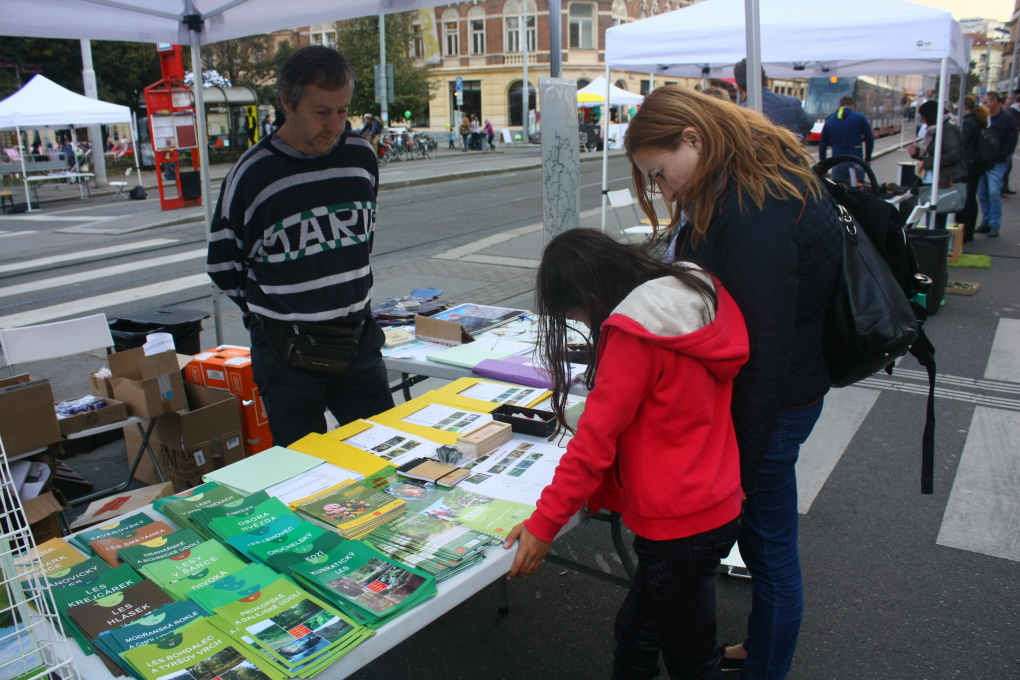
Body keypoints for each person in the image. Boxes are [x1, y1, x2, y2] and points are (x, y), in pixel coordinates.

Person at [624, 86, 842, 679]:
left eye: (661, 173)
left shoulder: (755, 206)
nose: (665, 190)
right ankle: (760, 644)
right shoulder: (747, 180)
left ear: (693, 139)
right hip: (781, 390)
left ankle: (766, 667)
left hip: (775, 400)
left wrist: (737, 464)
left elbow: (763, 349)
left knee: (769, 549)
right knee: (766, 539)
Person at [504, 228, 749, 680]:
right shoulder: (692, 291)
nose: (581, 321)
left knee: (690, 660)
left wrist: (544, 524)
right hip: (714, 500)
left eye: (575, 311)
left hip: (678, 525)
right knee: (638, 633)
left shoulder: (634, 334)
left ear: (592, 294)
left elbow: (593, 442)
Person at [207, 45, 393, 448]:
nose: (335, 126)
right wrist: (277, 308)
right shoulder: (252, 175)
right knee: (302, 465)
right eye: (322, 112)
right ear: (287, 103)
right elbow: (225, 267)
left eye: (344, 111)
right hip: (286, 352)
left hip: (357, 341)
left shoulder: (361, 157)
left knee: (386, 450)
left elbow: (361, 242)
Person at [907, 100, 967, 230]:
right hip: (935, 179)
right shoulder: (937, 129)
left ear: (930, 115)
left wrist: (926, 162)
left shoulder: (947, 129)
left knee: (936, 216)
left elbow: (952, 154)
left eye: (923, 117)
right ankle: (934, 241)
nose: (923, 121)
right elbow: (934, 153)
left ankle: (935, 244)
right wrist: (917, 154)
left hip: (941, 180)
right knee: (933, 215)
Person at [733, 59, 813, 138]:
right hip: (790, 150)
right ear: (767, 79)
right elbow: (809, 123)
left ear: (738, 86)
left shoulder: (739, 115)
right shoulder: (792, 103)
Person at [977, 91, 1019, 237]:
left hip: (996, 162)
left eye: (986, 102)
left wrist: (1001, 157)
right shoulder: (983, 117)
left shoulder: (1006, 118)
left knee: (994, 192)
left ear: (995, 101)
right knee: (982, 193)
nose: (984, 105)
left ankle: (994, 224)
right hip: (982, 161)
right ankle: (986, 221)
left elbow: (1011, 140)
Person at [819, 95, 874, 183]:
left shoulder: (829, 121)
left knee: (838, 191)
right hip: (856, 161)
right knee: (857, 191)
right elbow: (870, 139)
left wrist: (823, 167)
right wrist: (867, 159)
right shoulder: (860, 118)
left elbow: (822, 145)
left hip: (837, 163)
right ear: (852, 106)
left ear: (839, 106)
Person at [959, 96, 988, 243]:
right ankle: (968, 233)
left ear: (964, 106)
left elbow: (962, 144)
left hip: (969, 165)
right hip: (976, 165)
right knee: (971, 198)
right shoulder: (978, 120)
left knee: (966, 199)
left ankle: (964, 233)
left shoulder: (968, 122)